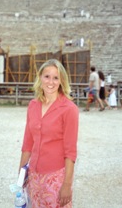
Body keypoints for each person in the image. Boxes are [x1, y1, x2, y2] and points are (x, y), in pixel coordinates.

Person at [19, 59, 79, 208]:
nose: (50, 82)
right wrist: (21, 177)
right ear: (40, 77)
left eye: (56, 77)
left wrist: (66, 185)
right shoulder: (33, 105)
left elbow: (70, 152)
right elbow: (27, 144)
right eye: (47, 76)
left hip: (56, 178)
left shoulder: (69, 109)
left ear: (61, 81)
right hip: (33, 176)